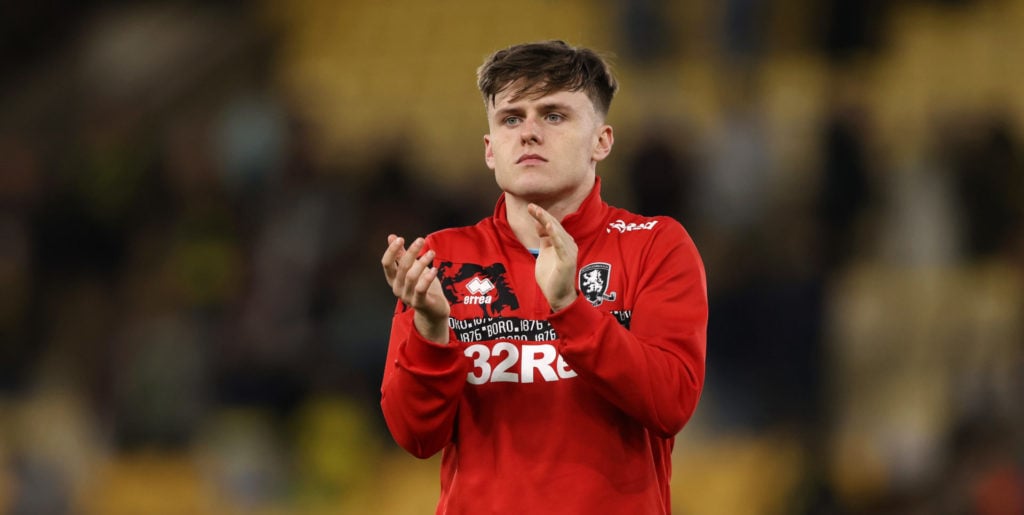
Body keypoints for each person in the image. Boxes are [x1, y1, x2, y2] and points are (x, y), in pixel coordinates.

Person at [379, 40, 708, 514]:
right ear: (491, 150)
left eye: (554, 115)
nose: (528, 133)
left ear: (602, 140)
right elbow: (415, 436)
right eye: (511, 118)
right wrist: (432, 332)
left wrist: (571, 309)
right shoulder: (442, 258)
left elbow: (670, 404)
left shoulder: (656, 245)